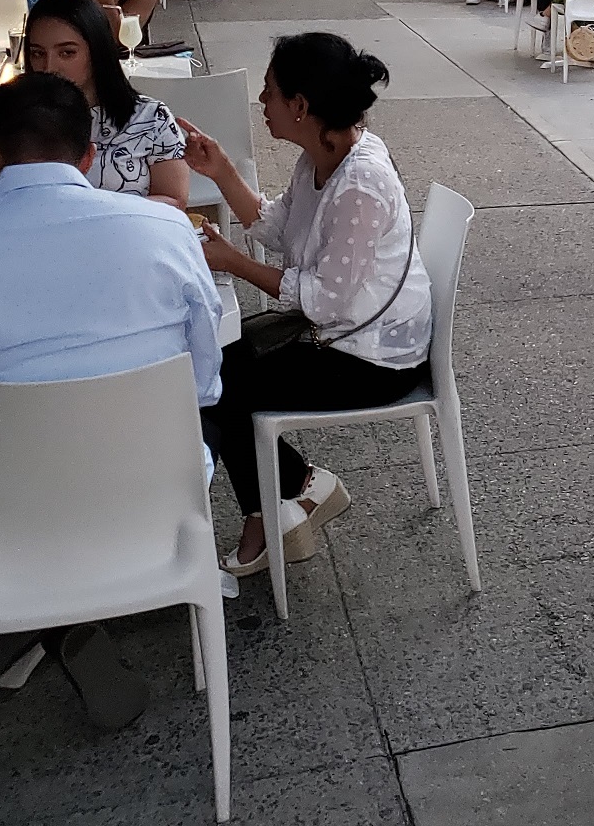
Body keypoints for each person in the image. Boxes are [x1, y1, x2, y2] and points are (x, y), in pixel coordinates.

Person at [0, 71, 222, 728]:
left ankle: (32, 627)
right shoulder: (166, 231)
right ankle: (66, 625)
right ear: (88, 156)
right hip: (151, 504)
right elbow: (203, 384)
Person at [183, 33, 431, 575]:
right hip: (345, 332)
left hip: (376, 358)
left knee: (222, 385)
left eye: (269, 91)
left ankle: (269, 517)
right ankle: (298, 488)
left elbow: (324, 299)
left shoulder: (360, 182)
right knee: (217, 366)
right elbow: (277, 227)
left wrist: (233, 262)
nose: (262, 102)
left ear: (299, 105)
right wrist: (221, 170)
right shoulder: (321, 154)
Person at [13, 0, 188, 206]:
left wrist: (96, 213)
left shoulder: (150, 118)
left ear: (97, 51)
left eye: (67, 53)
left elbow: (175, 200)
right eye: (38, 53)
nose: (49, 67)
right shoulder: (16, 122)